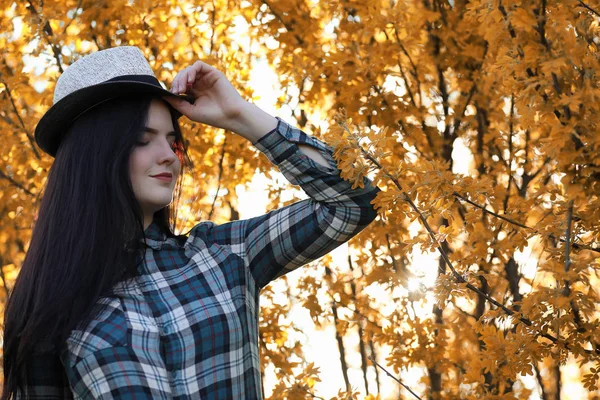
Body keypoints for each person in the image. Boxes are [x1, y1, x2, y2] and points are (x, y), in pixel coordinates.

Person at [2, 46, 380, 399]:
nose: (169, 155)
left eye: (173, 141)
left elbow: (354, 201)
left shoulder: (226, 255)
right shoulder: (50, 301)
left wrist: (239, 115)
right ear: (93, 156)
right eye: (142, 139)